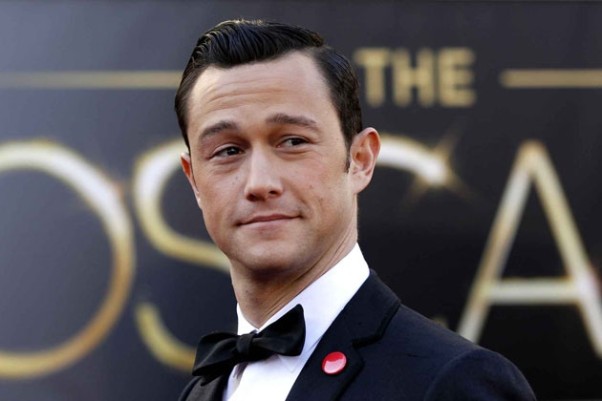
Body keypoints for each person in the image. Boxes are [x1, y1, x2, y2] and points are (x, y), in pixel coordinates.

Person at [175, 19, 536, 401]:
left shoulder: (453, 381)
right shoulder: (201, 392)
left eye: (293, 142)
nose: (260, 183)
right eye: (228, 151)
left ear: (360, 159)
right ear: (194, 180)